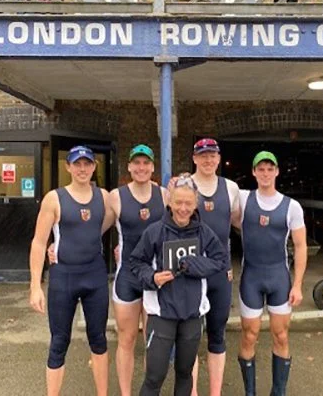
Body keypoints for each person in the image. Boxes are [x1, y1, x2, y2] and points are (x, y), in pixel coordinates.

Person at [130, 174, 229, 396]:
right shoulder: (155, 231)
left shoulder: (204, 232)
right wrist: (153, 277)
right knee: (154, 376)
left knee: (185, 374)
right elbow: (136, 262)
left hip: (192, 314)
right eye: (178, 202)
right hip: (161, 314)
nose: (183, 208)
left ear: (195, 204)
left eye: (188, 203)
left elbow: (221, 260)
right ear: (170, 202)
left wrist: (194, 265)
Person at [29, 145, 115, 396]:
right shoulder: (54, 198)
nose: (82, 169)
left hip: (95, 276)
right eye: (77, 164)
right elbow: (38, 242)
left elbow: (106, 223)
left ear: (94, 166)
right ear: (68, 166)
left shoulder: (104, 197)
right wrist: (35, 286)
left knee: (98, 339)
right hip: (63, 278)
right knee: (59, 341)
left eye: (87, 163)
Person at [236, 151, 307, 396]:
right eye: (261, 169)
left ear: (277, 172)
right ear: (253, 172)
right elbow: (212, 192)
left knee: (281, 335)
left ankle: (278, 392)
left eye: (270, 169)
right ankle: (250, 393)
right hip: (251, 278)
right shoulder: (243, 199)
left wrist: (297, 285)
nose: (265, 173)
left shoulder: (292, 206)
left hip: (279, 278)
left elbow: (300, 246)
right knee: (249, 335)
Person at [110, 144, 167, 396]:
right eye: (137, 163)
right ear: (129, 166)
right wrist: (56, 245)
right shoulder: (116, 196)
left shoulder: (164, 195)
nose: (141, 167)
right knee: (127, 338)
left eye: (146, 163)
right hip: (127, 277)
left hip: (155, 276)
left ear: (153, 167)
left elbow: (182, 226)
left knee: (152, 342)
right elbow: (92, 230)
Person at [190, 138, 240, 396]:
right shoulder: (184, 185)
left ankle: (215, 392)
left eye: (212, 155)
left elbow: (239, 222)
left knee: (217, 335)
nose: (208, 160)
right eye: (203, 155)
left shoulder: (231, 188)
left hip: (220, 272)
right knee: (190, 337)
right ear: (194, 158)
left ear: (219, 159)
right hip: (191, 272)